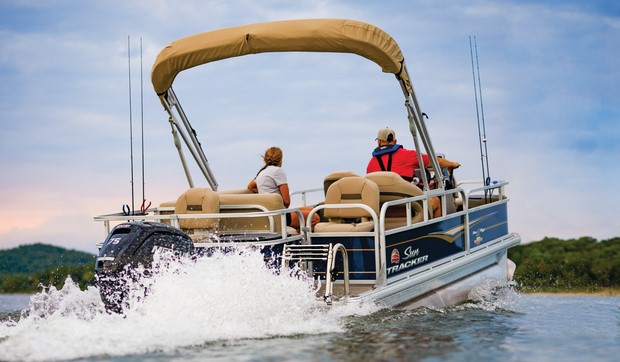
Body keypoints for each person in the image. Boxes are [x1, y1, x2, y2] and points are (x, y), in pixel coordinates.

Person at [366, 127, 460, 217]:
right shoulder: (408, 155)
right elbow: (436, 162)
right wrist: (452, 164)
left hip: (384, 209)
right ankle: (435, 232)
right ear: (395, 142)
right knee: (436, 201)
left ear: (378, 142)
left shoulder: (371, 164)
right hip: (407, 205)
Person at [247, 146, 319, 231]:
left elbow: (250, 186)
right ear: (280, 159)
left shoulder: (262, 172)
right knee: (315, 218)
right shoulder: (278, 171)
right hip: (280, 214)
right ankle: (299, 239)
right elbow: (287, 202)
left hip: (269, 213)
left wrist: (265, 193)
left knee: (311, 210)